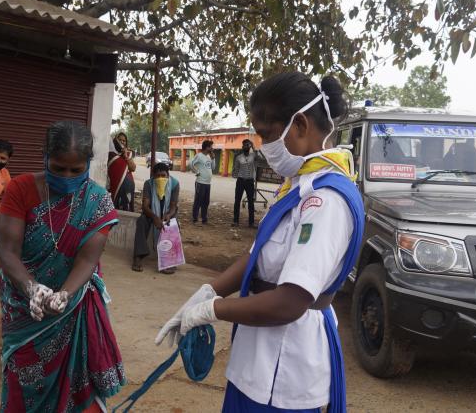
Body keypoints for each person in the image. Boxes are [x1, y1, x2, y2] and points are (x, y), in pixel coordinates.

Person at [155, 72, 364, 412]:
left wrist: (212, 311)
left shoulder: (324, 201)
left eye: (267, 134)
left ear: (299, 125)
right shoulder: (297, 185)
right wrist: (208, 291)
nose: (264, 146)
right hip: (256, 362)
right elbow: (258, 253)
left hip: (285, 370)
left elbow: (290, 302)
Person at [0, 121, 125, 412]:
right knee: (24, 382)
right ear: (45, 158)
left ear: (88, 164)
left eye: (76, 170)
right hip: (23, 307)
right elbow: (7, 250)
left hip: (72, 305)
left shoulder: (98, 202)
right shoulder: (21, 189)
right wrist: (32, 288)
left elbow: (87, 260)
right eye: (58, 168)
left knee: (77, 388)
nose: (67, 176)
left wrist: (63, 294)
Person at [132, 162, 180, 274]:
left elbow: (173, 206)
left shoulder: (175, 184)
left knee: (173, 223)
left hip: (167, 213)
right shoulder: (149, 184)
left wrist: (168, 215)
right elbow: (145, 206)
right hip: (151, 213)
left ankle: (169, 260)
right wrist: (155, 217)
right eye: (157, 176)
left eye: (163, 175)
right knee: (141, 221)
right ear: (153, 176)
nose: (160, 178)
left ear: (168, 175)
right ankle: (138, 256)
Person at [232, 139, 258, 228]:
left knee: (251, 202)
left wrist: (253, 147)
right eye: (244, 145)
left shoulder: (253, 155)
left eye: (248, 145)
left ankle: (251, 223)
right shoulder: (239, 157)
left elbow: (261, 157)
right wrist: (236, 175)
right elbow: (236, 169)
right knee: (237, 200)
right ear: (242, 147)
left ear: (250, 146)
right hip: (240, 181)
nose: (246, 146)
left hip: (250, 181)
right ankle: (235, 221)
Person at [108, 132, 136, 212]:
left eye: (124, 141)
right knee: (116, 207)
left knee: (127, 208)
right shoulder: (111, 154)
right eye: (120, 140)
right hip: (116, 185)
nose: (122, 142)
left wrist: (125, 155)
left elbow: (133, 168)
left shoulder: (128, 154)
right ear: (115, 140)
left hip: (129, 185)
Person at [187, 140, 214, 225]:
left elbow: (213, 168)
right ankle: (195, 219)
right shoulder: (199, 155)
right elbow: (190, 164)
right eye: (211, 146)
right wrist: (196, 172)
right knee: (198, 201)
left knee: (206, 202)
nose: (212, 148)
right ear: (206, 147)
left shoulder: (209, 157)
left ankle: (204, 219)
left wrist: (213, 158)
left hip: (207, 183)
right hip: (200, 182)